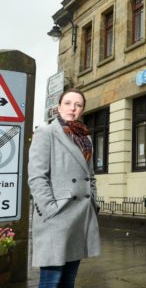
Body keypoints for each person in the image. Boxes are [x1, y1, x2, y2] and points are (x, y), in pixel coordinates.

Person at [28, 88, 100, 287]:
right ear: (59, 107)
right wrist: (50, 210)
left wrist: (93, 203)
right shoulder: (46, 132)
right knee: (51, 282)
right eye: (68, 103)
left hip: (79, 216)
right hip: (57, 218)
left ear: (82, 110)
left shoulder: (86, 139)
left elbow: (90, 176)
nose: (72, 108)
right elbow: (36, 177)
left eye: (78, 105)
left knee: (68, 281)